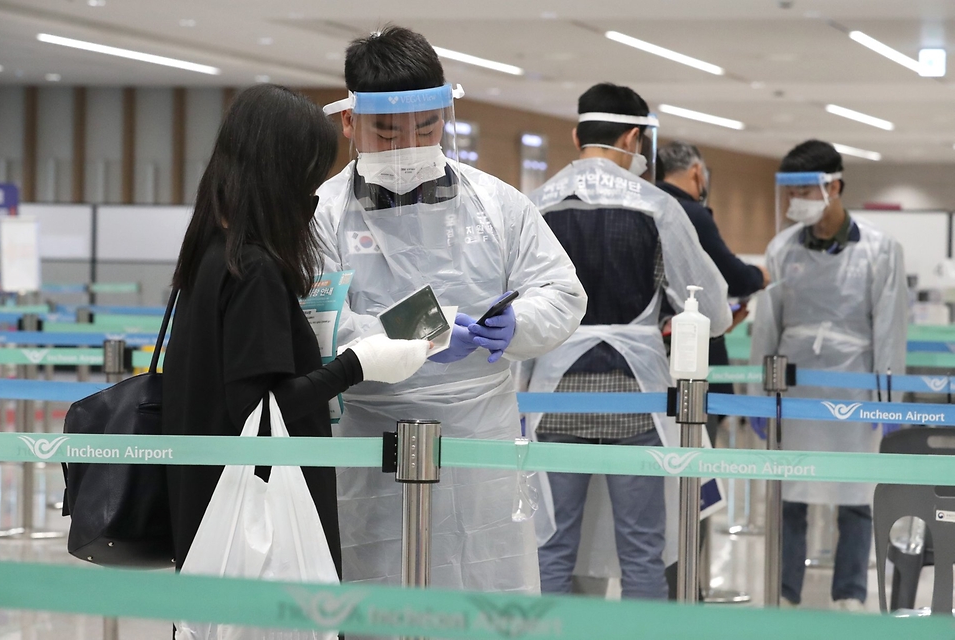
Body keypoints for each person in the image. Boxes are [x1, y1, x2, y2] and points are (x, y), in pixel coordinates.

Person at [314, 26, 586, 600]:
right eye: (387, 133)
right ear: (348, 122)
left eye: (427, 128)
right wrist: (425, 333)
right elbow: (315, 323)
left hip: (479, 435)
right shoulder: (322, 214)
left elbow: (561, 291)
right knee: (377, 599)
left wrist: (519, 323)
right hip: (370, 435)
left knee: (486, 592)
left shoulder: (497, 204)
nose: (409, 148)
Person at [162, 84, 431, 579]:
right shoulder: (254, 270)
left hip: (203, 504)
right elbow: (263, 410)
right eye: (309, 174)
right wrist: (358, 365)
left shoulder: (209, 253)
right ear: (281, 173)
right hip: (259, 512)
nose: (313, 192)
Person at [525, 83, 732, 600]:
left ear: (576, 135)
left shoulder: (535, 205)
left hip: (551, 399)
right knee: (643, 550)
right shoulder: (657, 206)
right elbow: (715, 311)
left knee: (550, 547)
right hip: (638, 398)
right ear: (635, 137)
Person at [749, 139, 908, 610]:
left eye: (804, 189)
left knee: (855, 495)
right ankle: (785, 591)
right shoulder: (780, 249)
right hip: (796, 386)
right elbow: (767, 330)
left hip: (855, 381)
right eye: (789, 191)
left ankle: (850, 593)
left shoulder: (880, 249)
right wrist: (760, 395)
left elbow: (891, 327)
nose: (794, 201)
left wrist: (890, 397)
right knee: (790, 492)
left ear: (833, 186)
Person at [657, 141, 770, 440]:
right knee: (696, 444)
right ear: (697, 171)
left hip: (650, 350)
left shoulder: (646, 205)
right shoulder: (691, 213)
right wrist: (758, 276)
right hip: (693, 352)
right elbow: (728, 274)